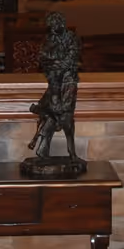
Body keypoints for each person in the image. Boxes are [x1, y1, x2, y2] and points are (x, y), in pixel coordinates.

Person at [23, 11, 84, 173]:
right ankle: (43, 150)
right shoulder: (49, 39)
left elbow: (70, 60)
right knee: (47, 113)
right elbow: (43, 58)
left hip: (68, 81)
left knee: (66, 117)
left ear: (61, 24)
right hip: (53, 80)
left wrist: (55, 63)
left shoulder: (71, 38)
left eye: (55, 26)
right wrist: (54, 64)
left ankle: (72, 152)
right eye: (50, 27)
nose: (52, 29)